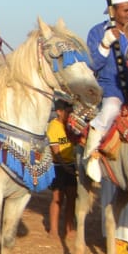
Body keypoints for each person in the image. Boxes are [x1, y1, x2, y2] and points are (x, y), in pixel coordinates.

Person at [83, 0, 128, 183]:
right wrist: (105, 44)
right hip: (111, 86)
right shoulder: (97, 32)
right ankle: (92, 155)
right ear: (113, 12)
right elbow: (92, 65)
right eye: (126, 10)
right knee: (110, 109)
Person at [46, 103, 77, 240]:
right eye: (67, 112)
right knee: (57, 198)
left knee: (71, 199)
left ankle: (68, 229)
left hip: (69, 164)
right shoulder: (53, 126)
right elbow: (56, 151)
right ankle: (53, 230)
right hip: (58, 166)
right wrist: (66, 166)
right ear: (59, 111)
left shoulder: (70, 126)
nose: (69, 115)